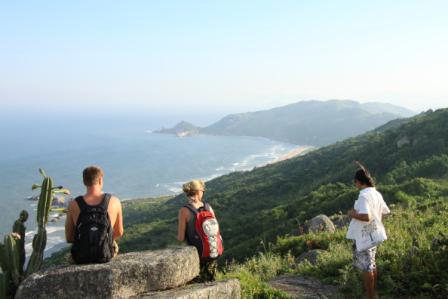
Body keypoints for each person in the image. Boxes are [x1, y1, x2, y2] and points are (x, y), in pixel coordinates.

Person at [346, 165, 390, 299]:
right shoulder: (376, 193)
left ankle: (370, 296)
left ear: (359, 181)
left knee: (367, 267)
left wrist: (352, 214)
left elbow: (366, 216)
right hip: (373, 233)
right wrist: (377, 224)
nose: (355, 184)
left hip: (365, 236)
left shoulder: (364, 195)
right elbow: (385, 212)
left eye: (355, 181)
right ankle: (373, 293)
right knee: (372, 263)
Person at [65, 166, 124, 263]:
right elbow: (119, 232)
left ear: (84, 182)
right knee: (113, 245)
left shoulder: (73, 204)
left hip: (81, 257)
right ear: (100, 180)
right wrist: (103, 238)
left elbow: (69, 237)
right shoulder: (114, 201)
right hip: (105, 255)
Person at [177, 180, 223, 282]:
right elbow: (216, 230)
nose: (203, 192)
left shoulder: (184, 211)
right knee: (212, 281)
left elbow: (180, 238)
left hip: (197, 256)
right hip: (212, 252)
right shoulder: (208, 207)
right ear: (198, 191)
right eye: (203, 190)